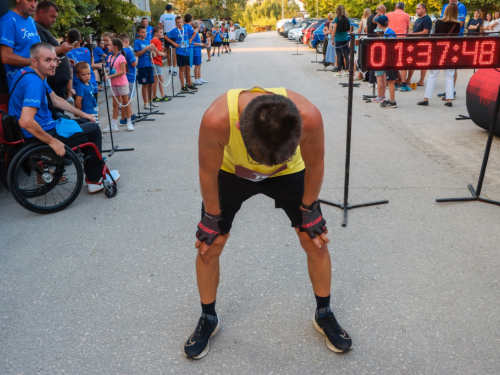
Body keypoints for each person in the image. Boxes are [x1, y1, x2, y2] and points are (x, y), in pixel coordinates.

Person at [183, 86, 352, 360]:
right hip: (231, 173)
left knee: (315, 241)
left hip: (290, 172)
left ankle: (324, 313)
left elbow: (316, 163)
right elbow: (207, 170)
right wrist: (212, 218)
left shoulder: (309, 116)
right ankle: (208, 318)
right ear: (239, 127)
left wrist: (309, 210)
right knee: (209, 247)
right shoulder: (217, 119)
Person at [9, 42, 120, 193]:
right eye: (47, 60)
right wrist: (52, 141)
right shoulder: (34, 82)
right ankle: (95, 179)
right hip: (43, 135)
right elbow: (26, 121)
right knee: (93, 129)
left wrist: (84, 114)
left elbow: (56, 100)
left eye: (55, 60)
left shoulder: (29, 74)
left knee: (87, 121)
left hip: (45, 128)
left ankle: (93, 170)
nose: (53, 64)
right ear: (34, 61)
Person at [417, 3, 460, 108]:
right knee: (449, 76)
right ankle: (449, 100)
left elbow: (432, 35)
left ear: (446, 10)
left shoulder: (439, 22)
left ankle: (426, 99)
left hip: (437, 51)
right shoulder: (457, 24)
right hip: (450, 52)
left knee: (433, 75)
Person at [34, 0, 73, 102]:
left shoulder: (43, 28)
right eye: (52, 16)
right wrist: (61, 49)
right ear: (41, 13)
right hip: (53, 81)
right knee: (55, 112)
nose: (55, 20)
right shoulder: (36, 27)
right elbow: (42, 51)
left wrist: (64, 60)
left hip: (58, 81)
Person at [0, 0, 41, 90]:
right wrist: (37, 63)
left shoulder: (31, 21)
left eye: (36, 1)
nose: (34, 5)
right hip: (21, 86)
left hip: (37, 82)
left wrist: (51, 59)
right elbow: (5, 57)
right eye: (29, 0)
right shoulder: (8, 21)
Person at [437, 0, 466, 98]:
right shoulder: (445, 6)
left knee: (452, 65)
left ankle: (451, 91)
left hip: (455, 38)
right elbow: (442, 20)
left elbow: (460, 23)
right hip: (445, 39)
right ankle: (448, 90)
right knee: (446, 66)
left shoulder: (461, 6)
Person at [105, 38, 133, 132]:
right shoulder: (110, 57)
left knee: (125, 103)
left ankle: (129, 122)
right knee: (115, 104)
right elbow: (109, 67)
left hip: (121, 83)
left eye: (110, 45)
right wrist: (106, 71)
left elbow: (122, 72)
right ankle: (113, 124)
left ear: (115, 47)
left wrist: (110, 76)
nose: (108, 47)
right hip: (113, 83)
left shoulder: (121, 57)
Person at [165, 15, 198, 92]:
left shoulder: (186, 28)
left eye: (180, 22)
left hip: (186, 50)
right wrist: (174, 43)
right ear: (176, 23)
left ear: (183, 22)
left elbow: (194, 33)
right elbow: (166, 37)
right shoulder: (174, 31)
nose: (179, 24)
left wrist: (191, 40)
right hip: (179, 52)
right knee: (181, 68)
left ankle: (190, 84)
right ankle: (183, 86)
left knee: (188, 68)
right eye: (178, 22)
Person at [371, 15, 398, 108]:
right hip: (391, 60)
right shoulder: (389, 32)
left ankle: (392, 101)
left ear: (379, 24)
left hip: (391, 60)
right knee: (389, 80)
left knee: (390, 81)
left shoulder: (388, 33)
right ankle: (391, 99)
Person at [66, 29, 99, 101]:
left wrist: (70, 88)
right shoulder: (86, 50)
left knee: (80, 110)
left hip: (79, 87)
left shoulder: (68, 54)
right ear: (80, 40)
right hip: (92, 84)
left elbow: (70, 72)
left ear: (68, 41)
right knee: (94, 108)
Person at [406, 3, 432, 87]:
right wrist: (411, 33)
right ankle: (408, 79)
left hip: (423, 43)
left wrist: (412, 34)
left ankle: (421, 81)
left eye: (418, 8)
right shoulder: (417, 19)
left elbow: (425, 32)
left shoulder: (427, 19)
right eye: (416, 8)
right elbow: (415, 30)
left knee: (423, 63)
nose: (416, 10)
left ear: (424, 9)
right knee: (411, 62)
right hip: (414, 43)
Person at [386, 2, 410, 91]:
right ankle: (403, 84)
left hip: (391, 40)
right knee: (403, 63)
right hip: (402, 40)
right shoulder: (406, 15)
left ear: (395, 7)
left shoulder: (388, 14)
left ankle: (394, 83)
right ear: (403, 8)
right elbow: (407, 29)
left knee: (393, 62)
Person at [117, 33, 138, 124]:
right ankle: (125, 117)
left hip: (122, 77)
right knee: (127, 99)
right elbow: (134, 63)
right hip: (129, 77)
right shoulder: (127, 51)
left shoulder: (118, 51)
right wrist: (137, 58)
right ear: (127, 41)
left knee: (124, 98)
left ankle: (128, 115)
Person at [134, 25, 157, 110]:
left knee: (151, 83)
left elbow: (152, 55)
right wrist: (147, 48)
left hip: (149, 64)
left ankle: (150, 100)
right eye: (142, 32)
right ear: (138, 33)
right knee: (145, 84)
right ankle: (145, 102)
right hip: (142, 66)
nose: (144, 34)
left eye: (145, 32)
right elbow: (137, 54)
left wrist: (153, 50)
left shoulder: (147, 41)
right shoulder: (137, 42)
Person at [74, 62, 99, 127]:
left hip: (93, 111)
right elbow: (77, 102)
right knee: (93, 131)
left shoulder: (89, 84)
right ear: (78, 75)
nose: (87, 76)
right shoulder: (81, 86)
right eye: (83, 75)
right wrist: (79, 113)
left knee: (97, 130)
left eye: (88, 74)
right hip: (87, 113)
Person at [367, 5, 385, 88]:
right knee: (377, 62)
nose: (384, 13)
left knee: (371, 62)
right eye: (384, 11)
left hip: (369, 41)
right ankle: (377, 81)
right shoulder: (377, 17)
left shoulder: (369, 16)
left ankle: (370, 81)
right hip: (377, 42)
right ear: (381, 10)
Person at [150, 26, 169, 103]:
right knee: (157, 79)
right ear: (156, 33)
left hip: (155, 62)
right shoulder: (157, 41)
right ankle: (154, 96)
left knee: (160, 79)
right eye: (160, 32)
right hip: (156, 62)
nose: (162, 34)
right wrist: (164, 54)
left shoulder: (152, 40)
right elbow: (157, 52)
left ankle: (162, 95)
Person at [331, 5, 350, 78]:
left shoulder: (336, 19)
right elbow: (348, 29)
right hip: (345, 39)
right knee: (346, 55)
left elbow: (334, 30)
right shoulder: (346, 19)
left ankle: (339, 72)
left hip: (338, 40)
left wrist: (332, 39)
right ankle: (347, 71)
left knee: (339, 55)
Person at [159, 4, 177, 75]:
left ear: (166, 9)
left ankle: (170, 68)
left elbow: (159, 25)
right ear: (171, 9)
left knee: (168, 53)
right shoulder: (175, 16)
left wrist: (163, 26)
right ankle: (174, 69)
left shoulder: (163, 16)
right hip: (174, 34)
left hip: (166, 34)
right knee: (174, 53)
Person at [355, 8, 372, 80]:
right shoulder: (371, 20)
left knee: (361, 57)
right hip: (369, 39)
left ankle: (360, 73)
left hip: (363, 39)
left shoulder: (363, 20)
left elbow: (358, 30)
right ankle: (363, 74)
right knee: (367, 58)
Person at [192, 21, 206, 86]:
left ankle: (199, 78)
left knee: (199, 65)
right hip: (195, 50)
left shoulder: (197, 33)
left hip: (198, 50)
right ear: (198, 26)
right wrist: (200, 43)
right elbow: (192, 42)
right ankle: (196, 79)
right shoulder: (194, 33)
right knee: (197, 65)